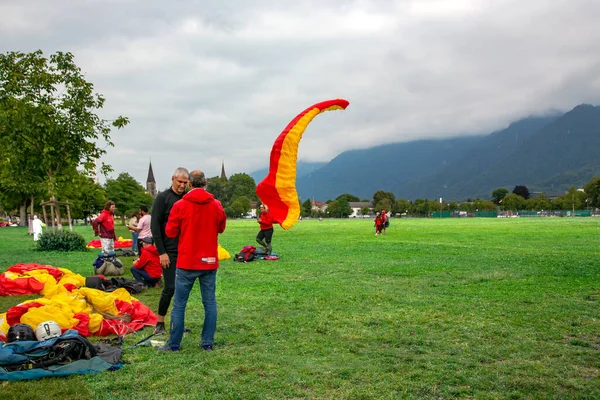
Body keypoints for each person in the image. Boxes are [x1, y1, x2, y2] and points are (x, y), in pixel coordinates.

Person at [159, 170, 226, 352]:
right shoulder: (216, 205)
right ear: (205, 183)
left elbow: (170, 232)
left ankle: (174, 343)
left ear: (189, 184)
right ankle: (207, 342)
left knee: (179, 304)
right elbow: (221, 228)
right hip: (209, 262)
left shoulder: (180, 205)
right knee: (210, 303)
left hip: (187, 261)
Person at [151, 167, 189, 335]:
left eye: (185, 182)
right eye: (179, 181)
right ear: (173, 179)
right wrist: (162, 252)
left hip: (185, 251)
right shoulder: (163, 198)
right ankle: (160, 323)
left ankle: (178, 323)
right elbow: (155, 227)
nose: (182, 185)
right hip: (169, 251)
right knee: (170, 288)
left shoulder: (188, 199)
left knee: (182, 289)